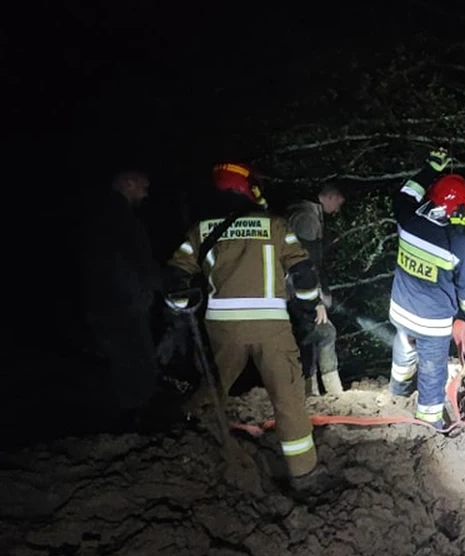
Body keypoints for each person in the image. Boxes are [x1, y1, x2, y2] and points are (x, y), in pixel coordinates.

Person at [165, 162, 328, 489]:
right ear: (247, 189)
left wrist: (181, 305)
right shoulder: (276, 225)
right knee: (288, 397)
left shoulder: (202, 229)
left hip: (223, 328)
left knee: (216, 383)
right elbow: (304, 274)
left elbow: (176, 276)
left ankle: (189, 430)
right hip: (271, 327)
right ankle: (305, 476)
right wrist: (311, 306)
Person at [387, 149, 465, 428]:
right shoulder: (458, 246)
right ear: (457, 211)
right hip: (432, 324)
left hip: (401, 311)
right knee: (432, 370)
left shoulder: (408, 218)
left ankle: (398, 391)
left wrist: (429, 170)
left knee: (403, 350)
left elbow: (405, 193)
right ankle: (430, 424)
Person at [83, 169, 161, 424]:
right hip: (123, 305)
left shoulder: (100, 215)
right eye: (143, 186)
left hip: (107, 303)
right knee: (136, 364)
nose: (146, 193)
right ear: (128, 183)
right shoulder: (119, 218)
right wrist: (145, 292)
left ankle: (125, 417)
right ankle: (135, 421)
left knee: (120, 363)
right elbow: (133, 261)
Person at [287, 183, 346, 395]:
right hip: (297, 290)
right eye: (338, 202)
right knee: (323, 333)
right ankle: (322, 391)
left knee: (311, 335)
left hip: (295, 289)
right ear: (329, 196)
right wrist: (317, 300)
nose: (338, 208)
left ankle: (313, 389)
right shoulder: (307, 219)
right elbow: (306, 263)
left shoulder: (306, 214)